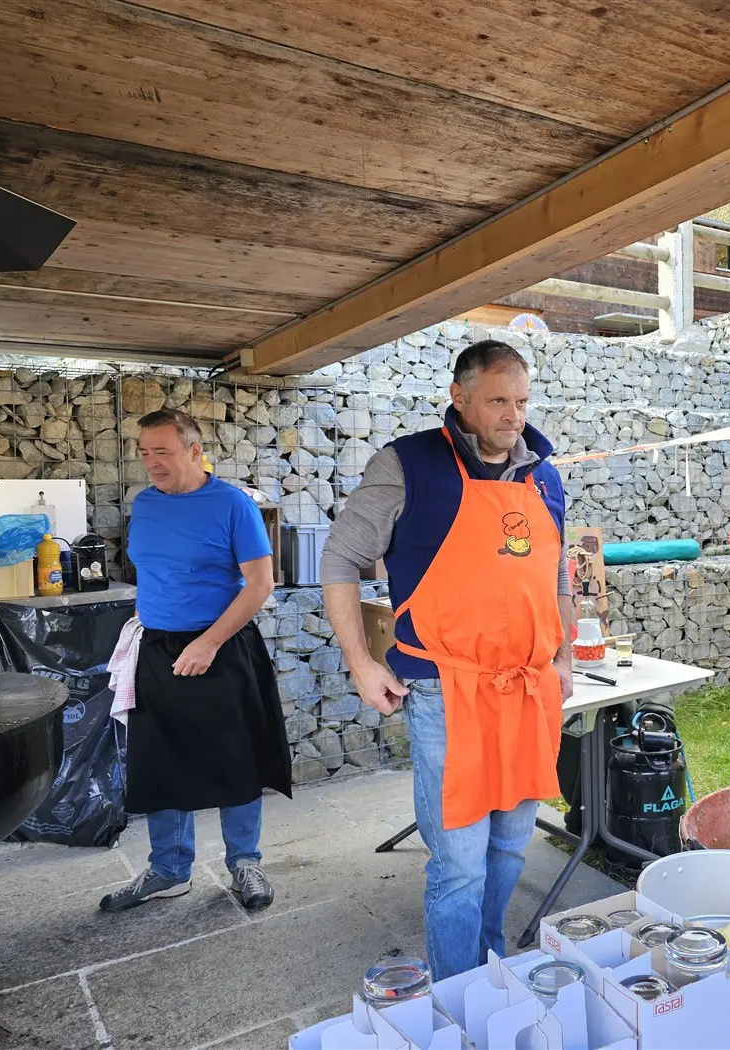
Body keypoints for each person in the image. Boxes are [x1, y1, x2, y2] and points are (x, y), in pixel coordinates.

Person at [319, 340, 573, 980]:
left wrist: (563, 654)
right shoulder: (407, 465)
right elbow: (340, 561)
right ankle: (458, 999)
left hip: (527, 690)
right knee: (459, 860)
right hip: (444, 691)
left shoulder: (543, 473)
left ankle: (490, 966)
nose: (512, 415)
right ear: (458, 399)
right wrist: (361, 662)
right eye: (496, 401)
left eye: (520, 401)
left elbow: (555, 574)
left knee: (513, 846)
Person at [100, 409, 289, 913]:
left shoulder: (232, 506)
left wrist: (206, 643)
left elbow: (260, 585)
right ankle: (169, 868)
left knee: (236, 756)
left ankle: (245, 862)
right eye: (144, 452)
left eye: (161, 451)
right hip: (157, 651)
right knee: (160, 760)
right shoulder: (145, 503)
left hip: (222, 649)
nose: (150, 462)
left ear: (193, 450)